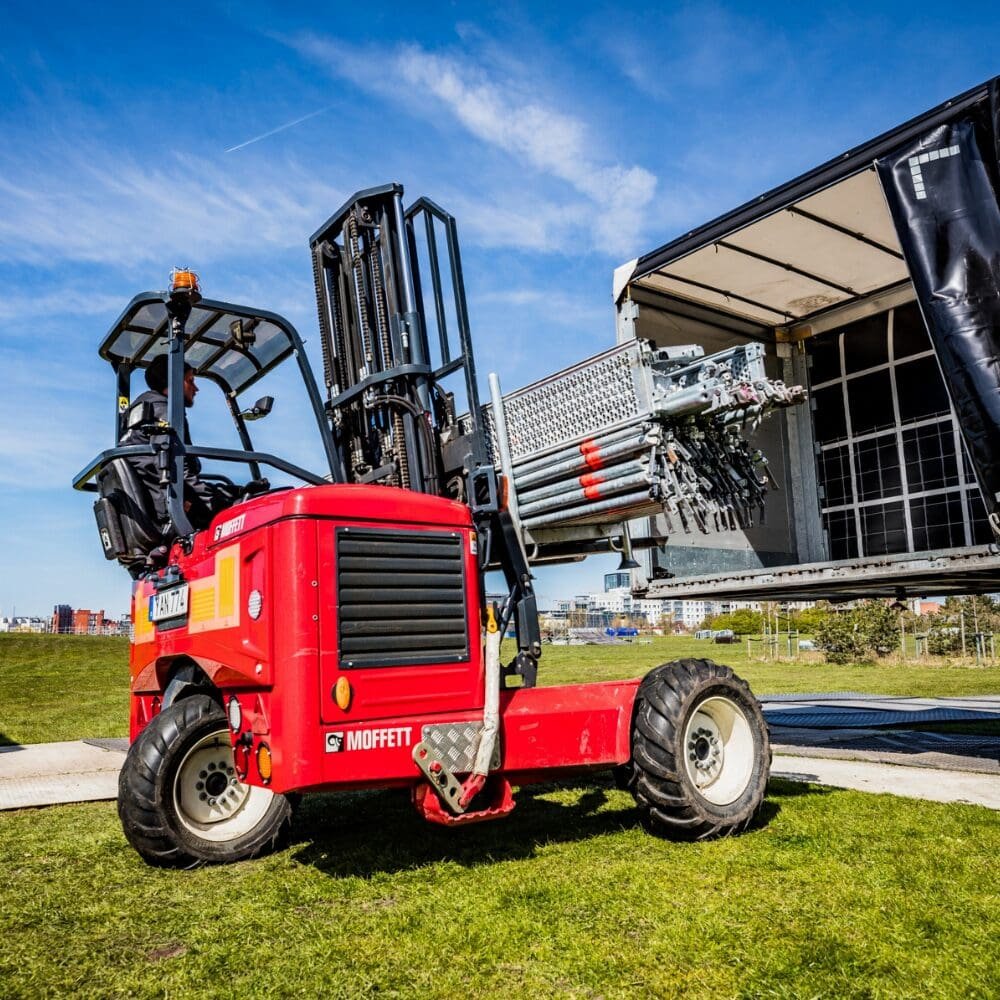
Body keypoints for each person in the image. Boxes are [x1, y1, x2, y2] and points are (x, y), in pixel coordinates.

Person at [121, 354, 237, 532]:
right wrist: (215, 500)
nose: (196, 389)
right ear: (174, 382)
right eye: (190, 381)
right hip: (170, 509)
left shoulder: (140, 415)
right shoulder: (164, 412)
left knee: (232, 493)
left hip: (157, 504)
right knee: (246, 503)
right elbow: (175, 469)